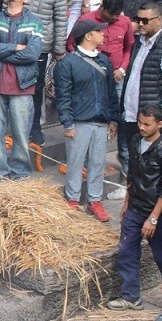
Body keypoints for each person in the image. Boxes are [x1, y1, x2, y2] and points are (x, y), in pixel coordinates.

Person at [106, 104, 162, 311]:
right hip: (135, 207)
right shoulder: (135, 141)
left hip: (157, 213)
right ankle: (131, 296)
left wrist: (154, 218)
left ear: (160, 124)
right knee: (126, 252)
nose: (141, 127)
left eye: (147, 124)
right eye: (140, 122)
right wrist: (126, 202)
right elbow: (132, 175)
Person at [116, 1, 162, 182]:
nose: (140, 24)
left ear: (159, 20)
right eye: (138, 19)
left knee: (152, 167)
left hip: (155, 122)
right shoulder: (139, 43)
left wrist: (161, 120)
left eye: (145, 20)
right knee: (136, 163)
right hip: (135, 116)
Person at [0, 0, 45, 179]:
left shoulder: (35, 21)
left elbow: (32, 55)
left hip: (22, 84)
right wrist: (17, 47)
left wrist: (2, 50)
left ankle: (20, 173)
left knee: (20, 133)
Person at [55, 19, 117, 221]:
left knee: (98, 162)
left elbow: (111, 94)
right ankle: (72, 199)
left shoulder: (105, 61)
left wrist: (113, 119)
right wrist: (67, 123)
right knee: (74, 162)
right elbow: (63, 96)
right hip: (79, 122)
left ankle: (95, 200)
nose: (103, 34)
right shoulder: (67, 63)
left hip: (101, 122)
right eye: (99, 32)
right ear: (88, 36)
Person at [13, 0, 67, 147]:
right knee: (15, 84)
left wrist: (59, 47)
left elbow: (61, 19)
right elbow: (6, 8)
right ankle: (16, 126)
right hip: (17, 43)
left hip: (41, 47)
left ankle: (34, 126)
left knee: (36, 88)